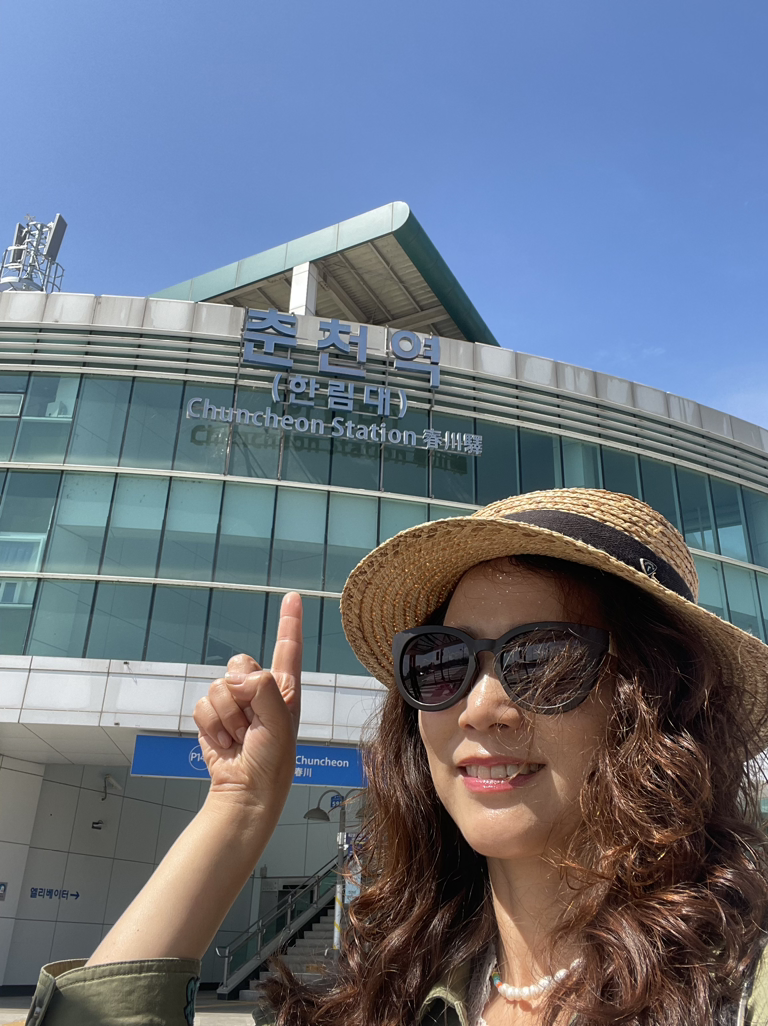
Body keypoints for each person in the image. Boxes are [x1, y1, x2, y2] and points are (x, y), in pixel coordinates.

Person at [24, 488, 768, 1026]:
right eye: (442, 661)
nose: (479, 706)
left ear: (656, 700)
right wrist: (238, 809)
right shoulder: (392, 990)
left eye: (542, 659)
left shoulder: (742, 987)